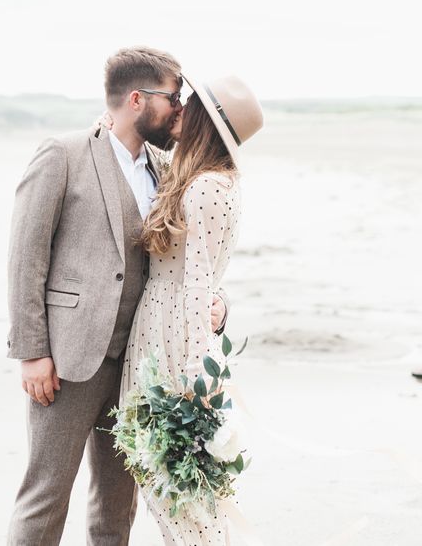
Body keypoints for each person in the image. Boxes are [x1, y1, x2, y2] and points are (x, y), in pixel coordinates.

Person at [5, 47, 229, 545]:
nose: (179, 108)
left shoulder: (165, 169)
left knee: (116, 505)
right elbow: (25, 258)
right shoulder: (62, 154)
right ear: (136, 99)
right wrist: (32, 352)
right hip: (67, 361)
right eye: (173, 96)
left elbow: (185, 260)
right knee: (45, 497)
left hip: (138, 365)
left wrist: (217, 304)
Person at [120, 75, 263, 544]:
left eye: (189, 104)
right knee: (166, 483)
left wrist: (194, 371)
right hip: (162, 321)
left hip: (174, 333)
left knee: (177, 489)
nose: (177, 108)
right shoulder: (198, 177)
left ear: (203, 119)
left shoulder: (206, 187)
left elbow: (201, 278)